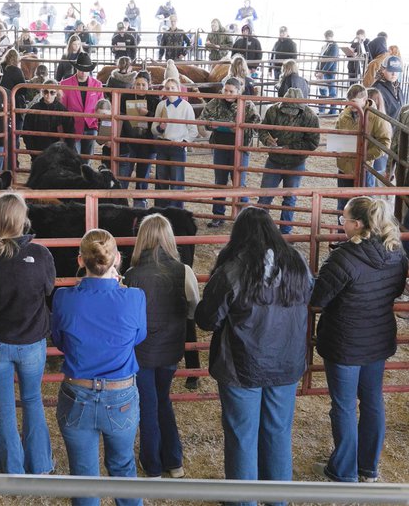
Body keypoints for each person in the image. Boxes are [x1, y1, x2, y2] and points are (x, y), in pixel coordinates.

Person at [196, 207, 312, 506]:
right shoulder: (298, 262)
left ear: (240, 235)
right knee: (278, 432)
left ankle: (241, 500)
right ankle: (277, 499)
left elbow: (208, 318)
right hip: (286, 362)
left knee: (241, 435)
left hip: (241, 365)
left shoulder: (232, 270)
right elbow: (309, 298)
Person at [311, 197, 407, 483]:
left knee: (343, 406)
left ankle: (343, 472)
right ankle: (368, 469)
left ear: (358, 224)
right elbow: (396, 290)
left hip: (344, 342)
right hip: (377, 338)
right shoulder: (396, 251)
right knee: (373, 401)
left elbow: (318, 299)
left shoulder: (344, 257)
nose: (342, 225)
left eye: (344, 220)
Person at [52, 228, 146, 506]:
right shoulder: (135, 297)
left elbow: (59, 340)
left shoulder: (63, 298)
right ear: (117, 259)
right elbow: (138, 337)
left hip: (76, 393)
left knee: (83, 477)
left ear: (81, 260)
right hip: (120, 395)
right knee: (123, 468)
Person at [0, 192, 55, 475]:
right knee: (32, 400)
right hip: (31, 344)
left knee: (4, 406)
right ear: (23, 220)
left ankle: (12, 471)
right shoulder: (41, 254)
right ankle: (40, 466)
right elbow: (49, 289)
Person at [124, 213, 199, 479]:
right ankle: (174, 462)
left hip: (142, 351)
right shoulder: (184, 271)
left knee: (148, 403)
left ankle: (152, 465)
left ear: (141, 239)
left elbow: (127, 315)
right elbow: (194, 309)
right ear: (169, 238)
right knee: (162, 400)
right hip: (171, 349)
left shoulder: (131, 275)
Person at [257, 87, 320, 234]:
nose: (290, 115)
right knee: (265, 196)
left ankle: (285, 232)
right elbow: (262, 129)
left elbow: (313, 142)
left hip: (296, 162)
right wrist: (268, 139)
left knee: (290, 197)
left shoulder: (310, 117)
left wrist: (290, 147)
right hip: (274, 159)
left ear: (300, 108)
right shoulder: (273, 111)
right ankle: (258, 230)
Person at [198, 77, 260, 226]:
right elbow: (204, 118)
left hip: (240, 147)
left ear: (239, 91)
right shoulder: (215, 101)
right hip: (221, 146)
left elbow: (256, 122)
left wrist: (241, 127)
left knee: (239, 183)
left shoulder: (247, 104)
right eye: (225, 90)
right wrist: (211, 125)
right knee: (220, 182)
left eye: (231, 91)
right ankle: (218, 216)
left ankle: (243, 218)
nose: (227, 93)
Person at [334, 84, 391, 213]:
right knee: (342, 205)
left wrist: (364, 155)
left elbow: (384, 142)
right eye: (349, 101)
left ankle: (363, 232)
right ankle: (341, 232)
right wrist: (336, 146)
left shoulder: (376, 117)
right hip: (344, 167)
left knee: (364, 206)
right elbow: (337, 131)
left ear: (365, 99)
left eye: (354, 101)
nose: (350, 104)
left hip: (363, 168)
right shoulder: (345, 113)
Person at [151, 77, 198, 208]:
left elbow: (193, 129)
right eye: (167, 88)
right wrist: (160, 128)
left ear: (178, 89)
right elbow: (153, 128)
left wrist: (184, 142)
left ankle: (176, 209)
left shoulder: (186, 107)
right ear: (164, 89)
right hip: (162, 144)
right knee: (161, 178)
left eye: (173, 88)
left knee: (177, 180)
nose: (170, 90)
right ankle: (161, 208)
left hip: (177, 146)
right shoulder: (161, 105)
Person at [118, 71, 159, 208]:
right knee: (125, 171)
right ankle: (121, 200)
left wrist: (147, 114)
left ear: (149, 85)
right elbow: (119, 115)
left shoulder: (154, 99)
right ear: (133, 85)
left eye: (143, 84)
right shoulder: (125, 97)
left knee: (143, 172)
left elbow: (159, 119)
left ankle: (139, 202)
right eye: (137, 84)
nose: (140, 87)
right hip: (129, 138)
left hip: (147, 140)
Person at [59, 53, 104, 159]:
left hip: (91, 125)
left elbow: (101, 106)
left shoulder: (97, 85)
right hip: (73, 126)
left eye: (86, 69)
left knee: (88, 158)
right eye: (80, 69)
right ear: (76, 68)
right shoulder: (65, 84)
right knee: (75, 157)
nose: (83, 72)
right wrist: (61, 129)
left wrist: (100, 127)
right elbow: (62, 108)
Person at [23, 80, 74, 158]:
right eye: (46, 92)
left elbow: (70, 133)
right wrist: (32, 152)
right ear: (42, 92)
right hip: (38, 152)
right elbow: (27, 132)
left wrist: (65, 152)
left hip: (58, 153)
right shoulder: (34, 110)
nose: (48, 95)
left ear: (56, 93)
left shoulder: (63, 111)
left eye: (52, 92)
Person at [370, 54, 405, 120]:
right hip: (384, 129)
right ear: (383, 70)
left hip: (396, 128)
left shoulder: (397, 87)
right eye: (390, 70)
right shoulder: (377, 89)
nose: (394, 74)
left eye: (397, 70)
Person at [316, 30, 340, 115]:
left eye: (328, 37)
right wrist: (317, 70)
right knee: (322, 91)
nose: (326, 39)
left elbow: (331, 60)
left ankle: (332, 111)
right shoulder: (325, 46)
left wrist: (322, 72)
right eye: (326, 37)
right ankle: (322, 110)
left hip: (329, 72)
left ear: (332, 37)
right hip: (323, 72)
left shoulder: (334, 46)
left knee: (331, 92)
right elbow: (320, 58)